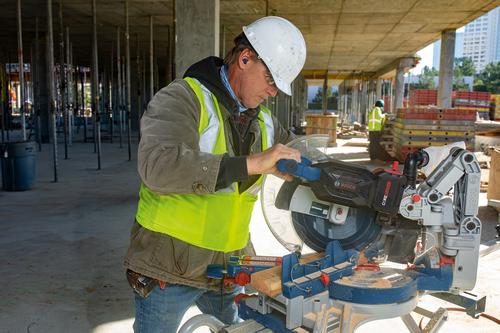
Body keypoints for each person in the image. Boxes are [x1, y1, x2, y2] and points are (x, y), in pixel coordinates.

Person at [123, 16, 307, 333]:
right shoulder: (182, 98)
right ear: (245, 58)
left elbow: (305, 157)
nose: (273, 92)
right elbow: (158, 165)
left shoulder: (265, 122)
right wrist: (250, 164)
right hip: (169, 265)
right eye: (270, 78)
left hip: (228, 267)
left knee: (241, 328)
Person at [368, 99, 386, 166]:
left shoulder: (372, 110)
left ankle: (372, 159)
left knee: (372, 145)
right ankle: (376, 159)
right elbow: (379, 117)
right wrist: (384, 115)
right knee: (376, 145)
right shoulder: (377, 109)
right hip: (376, 130)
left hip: (371, 130)